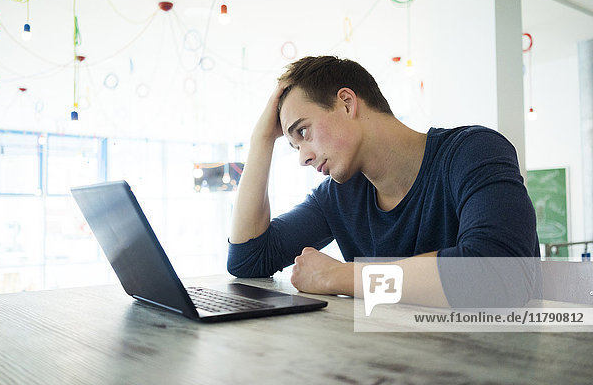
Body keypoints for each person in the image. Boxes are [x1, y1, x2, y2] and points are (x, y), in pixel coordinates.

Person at [227, 56, 540, 308]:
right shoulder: (338, 197)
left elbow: (499, 275)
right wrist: (261, 140)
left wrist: (338, 276)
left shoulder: (474, 151)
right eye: (294, 146)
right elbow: (248, 259)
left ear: (347, 103)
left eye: (303, 132)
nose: (303, 158)